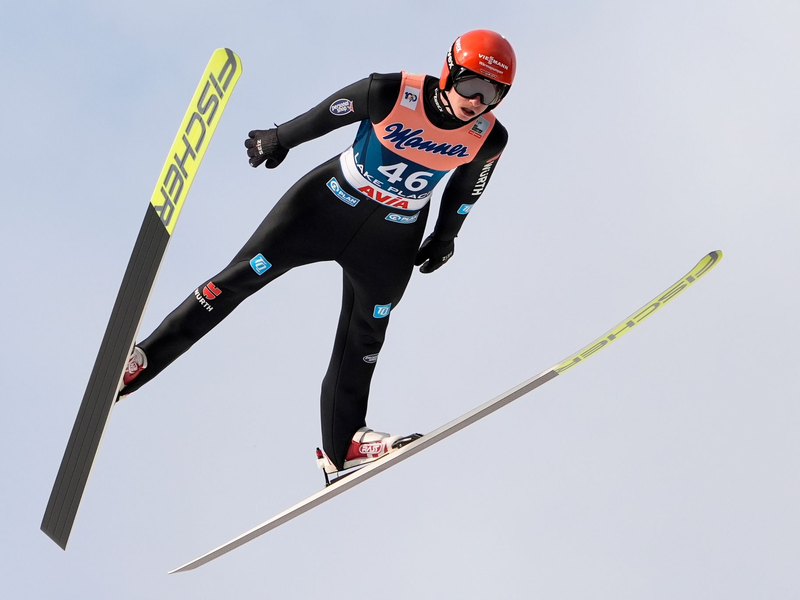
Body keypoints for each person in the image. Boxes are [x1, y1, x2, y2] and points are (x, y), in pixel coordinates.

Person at [120, 29, 516, 475]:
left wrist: (446, 237)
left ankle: (344, 444)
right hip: (323, 207)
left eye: (492, 93)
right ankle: (142, 361)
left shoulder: (488, 138)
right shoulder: (392, 91)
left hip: (391, 238)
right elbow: (329, 113)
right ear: (450, 72)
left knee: (366, 335)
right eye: (471, 86)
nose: (478, 101)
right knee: (238, 278)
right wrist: (280, 138)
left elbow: (467, 190)